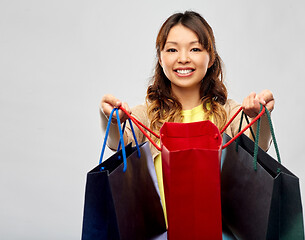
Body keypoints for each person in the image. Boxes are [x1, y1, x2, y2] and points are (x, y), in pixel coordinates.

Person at [99, 10, 274, 224]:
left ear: (210, 58)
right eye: (172, 49)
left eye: (195, 49)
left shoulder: (228, 112)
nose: (183, 58)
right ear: (161, 58)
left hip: (217, 232)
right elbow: (117, 143)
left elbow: (260, 144)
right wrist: (112, 120)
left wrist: (260, 116)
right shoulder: (147, 115)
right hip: (162, 232)